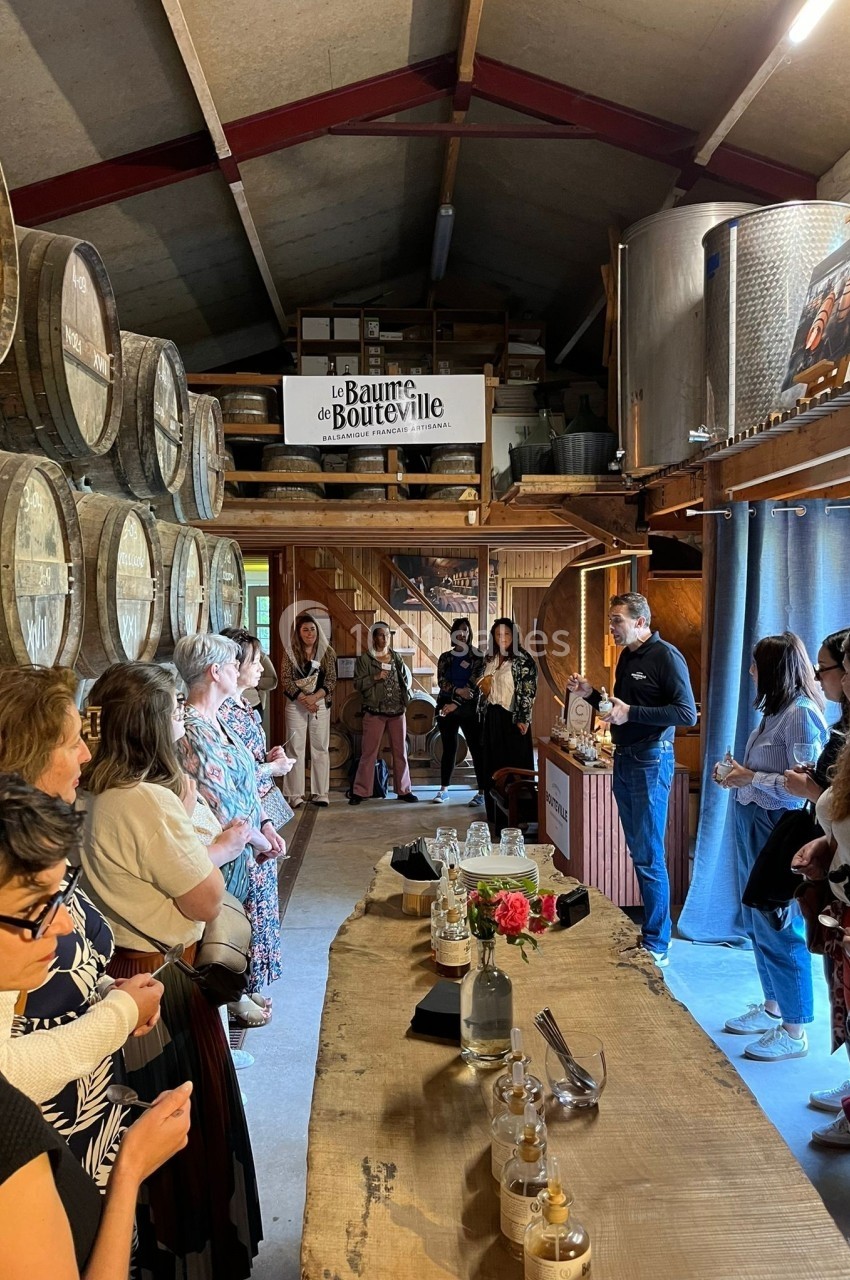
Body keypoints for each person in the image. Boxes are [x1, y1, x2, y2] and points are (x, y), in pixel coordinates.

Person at [79, 662, 263, 1279]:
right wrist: (208, 831)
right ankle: (195, 1257)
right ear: (150, 727)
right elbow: (205, 900)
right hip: (166, 977)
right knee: (184, 1121)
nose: (181, 720)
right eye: (172, 713)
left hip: (123, 968)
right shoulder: (145, 801)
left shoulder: (94, 793)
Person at [0, 773, 192, 1280]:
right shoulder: (8, 1133)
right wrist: (129, 1169)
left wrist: (109, 996)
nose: (62, 926)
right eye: (35, 910)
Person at [0, 666, 163, 1188]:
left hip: (86, 1117)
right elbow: (6, 1071)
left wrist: (106, 989)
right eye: (72, 743)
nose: (88, 755)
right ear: (29, 756)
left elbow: (61, 968)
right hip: (38, 1145)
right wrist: (117, 1014)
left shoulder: (39, 849)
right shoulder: (10, 875)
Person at [568, 593, 697, 968]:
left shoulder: (666, 656)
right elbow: (617, 711)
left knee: (649, 854)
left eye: (617, 620)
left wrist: (632, 712)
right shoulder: (627, 656)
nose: (611, 627)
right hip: (624, 759)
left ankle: (659, 943)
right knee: (640, 851)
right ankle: (651, 936)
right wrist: (590, 694)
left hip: (651, 760)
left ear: (641, 622)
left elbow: (686, 712)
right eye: (611, 620)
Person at [716, 631, 826, 1061]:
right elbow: (768, 773)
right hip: (753, 819)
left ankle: (795, 1028)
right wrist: (736, 775)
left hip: (777, 826)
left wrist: (748, 778)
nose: (749, 672)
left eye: (756, 665)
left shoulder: (801, 715)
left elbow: (804, 788)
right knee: (756, 914)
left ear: (773, 670)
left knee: (779, 920)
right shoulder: (775, 711)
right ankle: (773, 1005)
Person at [175, 633, 286, 1029]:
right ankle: (218, 1029)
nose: (239, 668)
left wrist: (267, 827)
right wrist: (260, 839)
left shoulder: (217, 718)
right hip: (223, 853)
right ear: (215, 671)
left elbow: (246, 779)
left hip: (246, 846)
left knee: (235, 936)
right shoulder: (194, 729)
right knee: (217, 943)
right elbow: (220, 801)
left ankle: (228, 1012)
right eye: (232, 663)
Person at [220, 627, 295, 1001]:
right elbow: (232, 775)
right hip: (238, 819)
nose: (258, 667)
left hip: (258, 813)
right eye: (253, 660)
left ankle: (252, 985)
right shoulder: (219, 714)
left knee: (263, 898)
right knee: (247, 905)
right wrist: (272, 770)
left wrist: (268, 760)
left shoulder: (243, 706)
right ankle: (240, 989)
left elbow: (249, 762)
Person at [350, 622, 418, 805]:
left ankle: (404, 790)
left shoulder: (396, 657)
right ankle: (360, 791)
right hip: (375, 711)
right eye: (381, 635)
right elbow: (357, 684)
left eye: (387, 635)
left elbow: (405, 680)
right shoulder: (365, 659)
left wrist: (406, 698)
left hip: (397, 711)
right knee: (369, 753)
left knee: (400, 752)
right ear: (374, 637)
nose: (385, 638)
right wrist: (375, 677)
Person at [479, 618, 538, 829]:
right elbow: (483, 686)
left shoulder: (523, 660)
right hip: (492, 716)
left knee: (514, 767)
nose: (502, 638)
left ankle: (519, 818)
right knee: (492, 767)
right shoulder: (490, 659)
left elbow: (528, 692)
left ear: (513, 637)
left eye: (506, 634)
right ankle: (495, 817)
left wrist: (523, 718)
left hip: (512, 719)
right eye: (498, 635)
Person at [280, 612, 337, 808]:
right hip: (296, 703)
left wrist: (315, 698)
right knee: (295, 748)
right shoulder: (290, 652)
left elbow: (331, 680)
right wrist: (304, 700)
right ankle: (295, 794)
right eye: (305, 630)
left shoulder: (327, 652)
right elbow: (286, 679)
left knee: (320, 747)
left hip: (319, 702)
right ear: (298, 632)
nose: (309, 633)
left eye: (312, 629)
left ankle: (321, 793)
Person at [433, 618, 486, 806]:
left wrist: (456, 702)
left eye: (465, 630)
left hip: (469, 707)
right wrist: (456, 691)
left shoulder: (478, 656)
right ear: (453, 634)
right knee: (449, 748)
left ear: (469, 633)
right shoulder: (445, 657)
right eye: (458, 631)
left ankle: (481, 791)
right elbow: (441, 682)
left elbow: (474, 685)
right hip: (445, 706)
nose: (462, 634)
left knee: (476, 748)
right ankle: (443, 789)